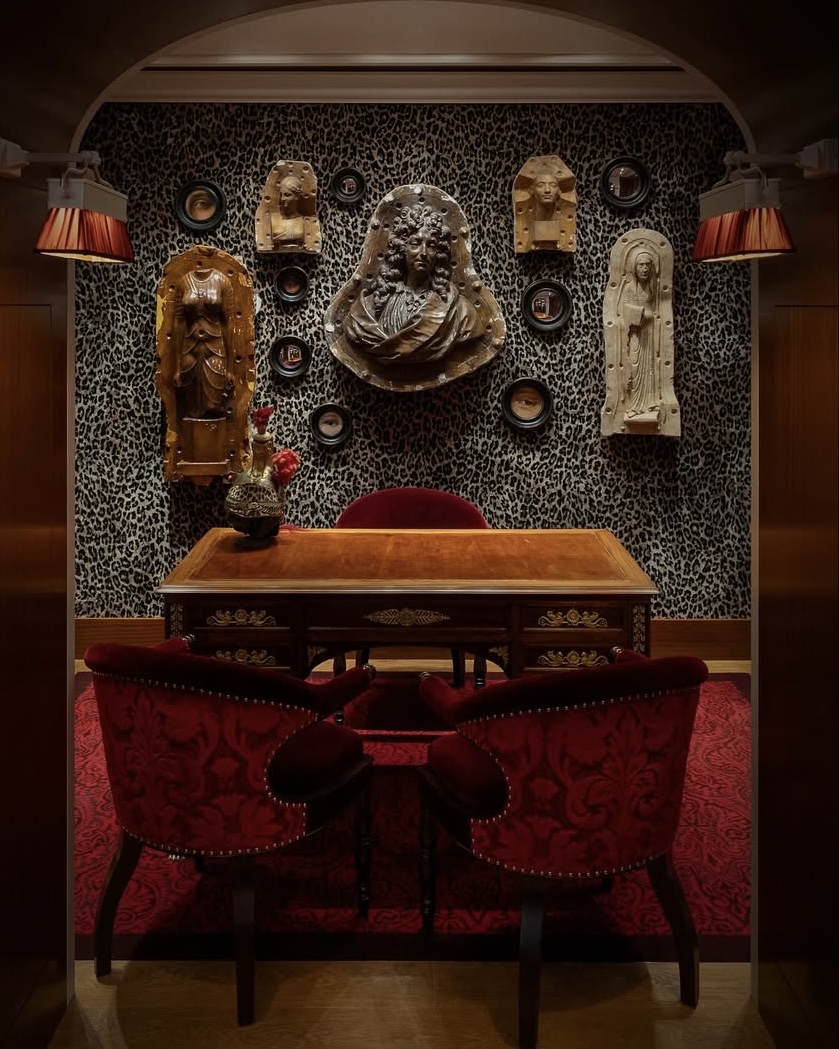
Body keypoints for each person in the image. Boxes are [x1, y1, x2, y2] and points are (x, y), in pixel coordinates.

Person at [341, 203, 483, 366]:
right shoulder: (368, 307)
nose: (423, 253)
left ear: (439, 254)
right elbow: (354, 327)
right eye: (415, 244)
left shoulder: (461, 312)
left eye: (431, 245)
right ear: (402, 248)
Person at [171, 248, 235, 418]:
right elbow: (178, 323)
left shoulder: (223, 281)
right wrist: (177, 367)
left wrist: (230, 369)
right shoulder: (184, 281)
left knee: (213, 405)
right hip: (189, 350)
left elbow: (228, 324)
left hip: (215, 349)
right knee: (191, 409)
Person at [617, 248, 661, 421]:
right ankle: (633, 406)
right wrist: (640, 314)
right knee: (634, 367)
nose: (644, 269)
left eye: (647, 265)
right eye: (641, 265)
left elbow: (657, 308)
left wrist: (651, 316)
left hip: (649, 333)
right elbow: (623, 309)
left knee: (650, 368)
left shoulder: (652, 286)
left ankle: (649, 403)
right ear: (634, 268)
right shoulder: (629, 288)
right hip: (634, 333)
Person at [270, 174, 306, 248]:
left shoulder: (304, 221)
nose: (283, 199)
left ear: (297, 196)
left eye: (287, 195)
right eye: (281, 195)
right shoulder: (273, 219)